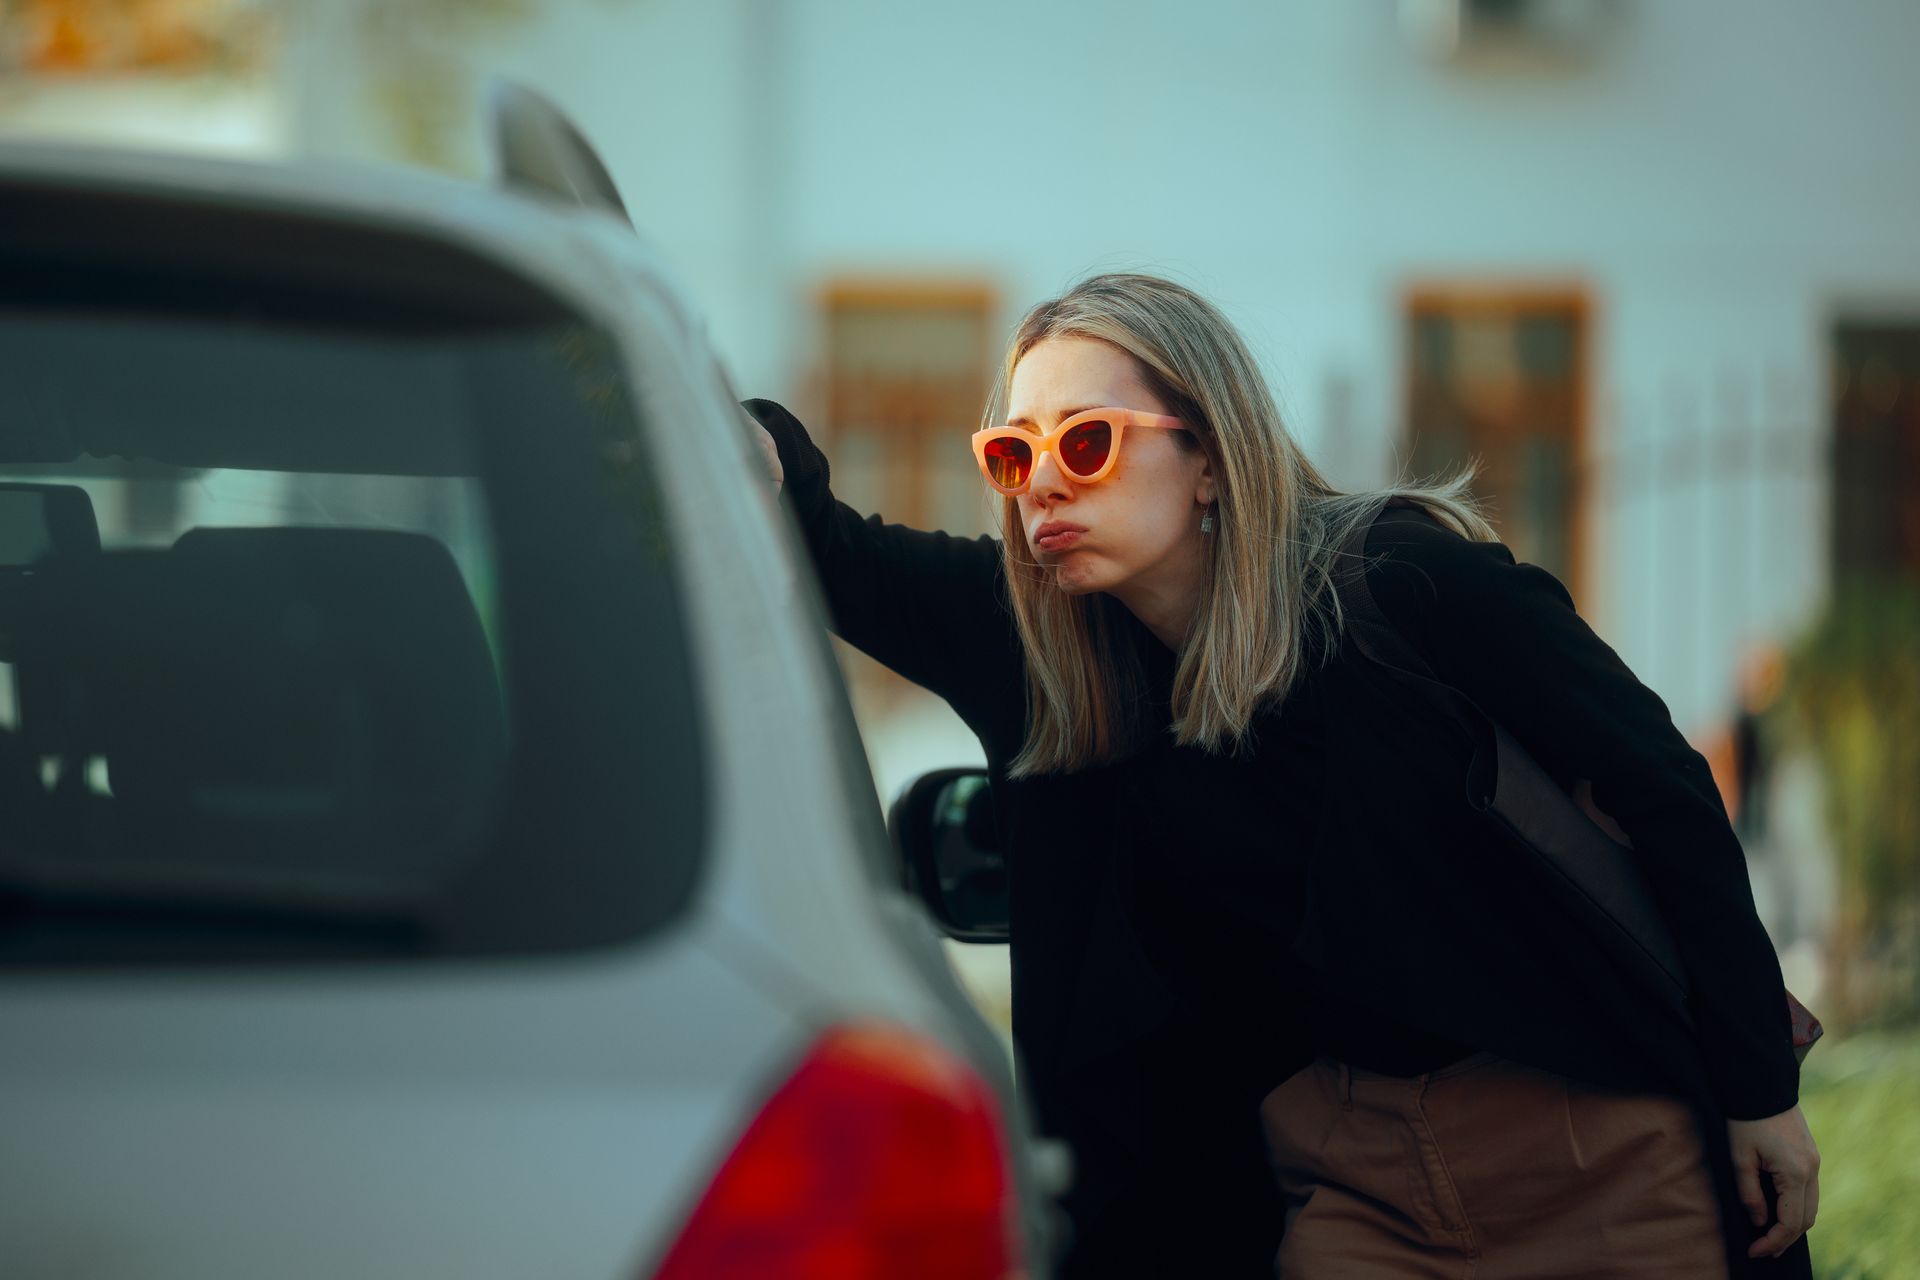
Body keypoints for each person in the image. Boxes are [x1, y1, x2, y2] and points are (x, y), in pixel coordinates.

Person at [745, 272, 1819, 1279]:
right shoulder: (1042, 646)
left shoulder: (1402, 585)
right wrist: (735, 436)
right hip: (1352, 1184)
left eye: (1087, 441)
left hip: (1588, 1140)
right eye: (1014, 456)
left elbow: (1663, 786)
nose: (1045, 487)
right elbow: (831, 549)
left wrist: (1759, 1090)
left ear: (1209, 456)